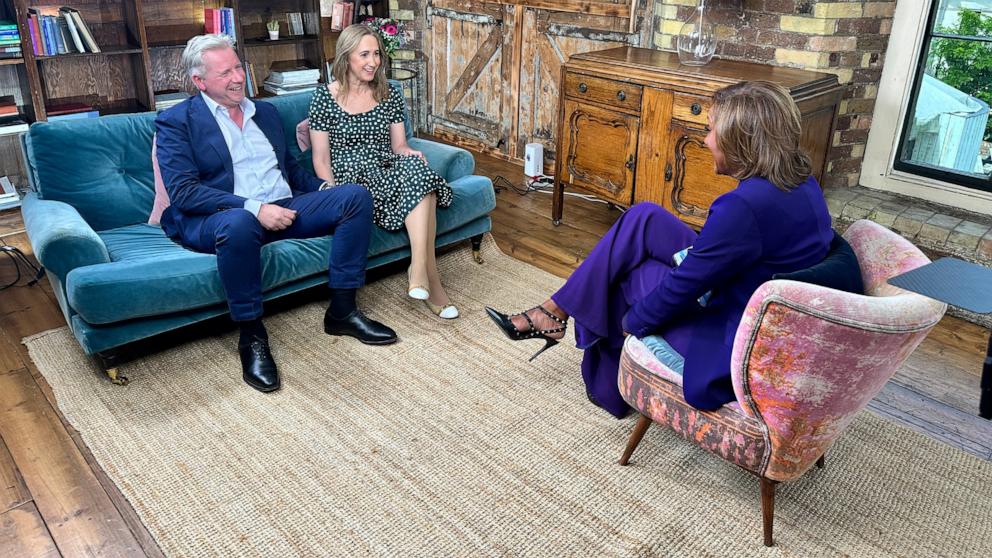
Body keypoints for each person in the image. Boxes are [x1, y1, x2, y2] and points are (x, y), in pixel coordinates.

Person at [486, 81, 834, 417]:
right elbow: (726, 256)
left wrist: (631, 322)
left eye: (712, 130)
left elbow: (684, 286)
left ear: (741, 142)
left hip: (736, 334)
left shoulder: (744, 208)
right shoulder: (800, 179)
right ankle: (555, 310)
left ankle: (611, 388)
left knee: (628, 276)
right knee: (644, 217)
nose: (705, 138)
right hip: (753, 294)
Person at [155, 34, 397, 394]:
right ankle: (251, 337)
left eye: (239, 67)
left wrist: (320, 190)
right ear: (199, 81)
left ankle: (343, 311)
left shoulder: (264, 113)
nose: (238, 78)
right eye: (225, 73)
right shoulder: (177, 122)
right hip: (223, 218)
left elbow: (287, 171)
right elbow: (185, 193)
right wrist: (255, 208)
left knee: (354, 197)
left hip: (283, 207)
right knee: (239, 223)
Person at [308, 24, 458, 319]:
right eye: (364, 54)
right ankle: (432, 283)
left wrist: (409, 154)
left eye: (376, 54)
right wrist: (332, 197)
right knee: (421, 186)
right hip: (353, 181)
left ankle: (418, 268)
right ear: (346, 57)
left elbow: (399, 145)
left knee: (417, 167)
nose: (373, 61)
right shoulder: (323, 98)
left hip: (386, 167)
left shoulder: (387, 91)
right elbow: (321, 159)